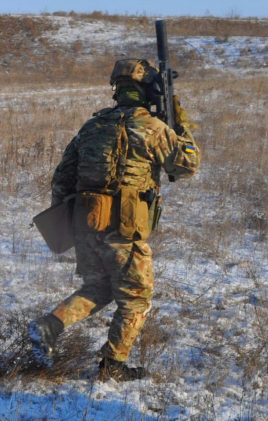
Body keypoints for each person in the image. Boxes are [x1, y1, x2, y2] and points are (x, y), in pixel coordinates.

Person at [29, 59, 201, 381]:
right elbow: (187, 165)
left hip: (87, 223)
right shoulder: (151, 127)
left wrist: (70, 223)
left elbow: (61, 179)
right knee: (137, 299)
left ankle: (48, 326)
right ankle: (112, 369)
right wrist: (181, 125)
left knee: (99, 287)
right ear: (146, 89)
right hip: (123, 228)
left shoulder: (92, 127)